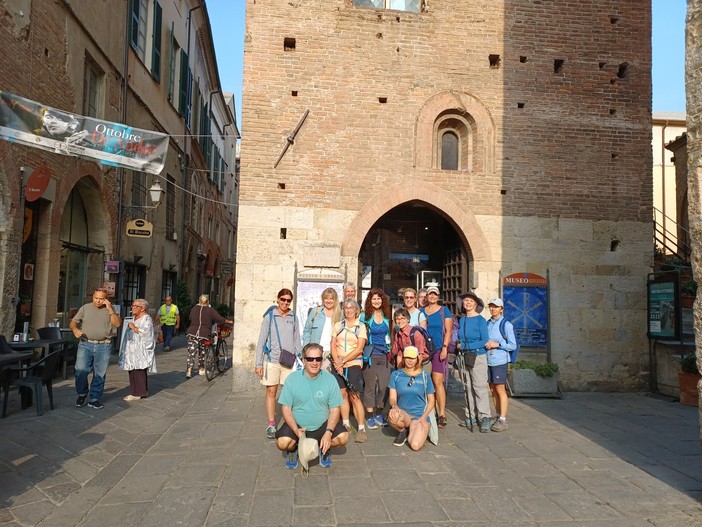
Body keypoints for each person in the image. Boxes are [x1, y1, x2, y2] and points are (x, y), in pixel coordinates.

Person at [275, 343, 349, 469]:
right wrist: (296, 430)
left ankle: (323, 447)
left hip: (322, 426)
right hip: (298, 426)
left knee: (343, 438)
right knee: (282, 443)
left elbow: (335, 410)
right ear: (303, 360)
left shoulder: (330, 380)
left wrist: (329, 432)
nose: (314, 362)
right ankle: (293, 450)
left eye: (318, 359)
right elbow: (286, 409)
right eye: (310, 359)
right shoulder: (292, 379)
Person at [255, 288, 302, 439]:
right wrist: (258, 363)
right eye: (283, 299)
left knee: (290, 393)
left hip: (288, 361)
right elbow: (261, 341)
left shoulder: (293, 317)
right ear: (278, 299)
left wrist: (302, 359)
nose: (285, 302)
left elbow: (297, 340)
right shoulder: (270, 316)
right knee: (271, 391)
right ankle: (271, 423)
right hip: (272, 360)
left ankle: (290, 421)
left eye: (288, 300)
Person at [69, 289, 122, 409]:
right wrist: (75, 330)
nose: (98, 301)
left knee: (99, 373)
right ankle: (82, 393)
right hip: (85, 344)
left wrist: (109, 309)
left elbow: (117, 324)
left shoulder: (111, 309)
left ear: (106, 299)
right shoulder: (85, 308)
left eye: (101, 298)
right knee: (80, 370)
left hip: (104, 345)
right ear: (92, 297)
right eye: (96, 298)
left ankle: (94, 398)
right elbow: (72, 322)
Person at [330, 298, 368, 442]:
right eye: (346, 307)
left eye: (352, 307)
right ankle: (345, 423)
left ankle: (361, 427)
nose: (349, 310)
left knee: (354, 395)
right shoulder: (338, 325)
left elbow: (359, 348)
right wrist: (337, 362)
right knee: (342, 393)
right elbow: (333, 344)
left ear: (356, 310)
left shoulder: (361, 327)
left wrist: (343, 361)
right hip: (338, 363)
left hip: (353, 363)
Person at [456, 291, 491, 433]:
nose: (468, 303)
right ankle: (471, 415)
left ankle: (485, 417)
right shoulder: (462, 320)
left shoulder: (480, 320)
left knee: (479, 387)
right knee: (467, 386)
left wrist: (467, 346)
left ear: (476, 304)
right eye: (466, 301)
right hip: (464, 356)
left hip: (477, 356)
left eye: (471, 301)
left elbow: (484, 341)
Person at [387, 346, 435, 450]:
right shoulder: (396, 375)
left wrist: (423, 418)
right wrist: (395, 407)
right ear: (403, 358)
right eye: (407, 357)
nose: (409, 360)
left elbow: (431, 400)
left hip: (420, 416)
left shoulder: (425, 376)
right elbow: (392, 398)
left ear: (417, 358)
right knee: (393, 416)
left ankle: (414, 429)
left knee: (415, 445)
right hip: (404, 414)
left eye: (412, 358)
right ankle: (403, 431)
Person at [360, 288, 392, 429]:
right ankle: (370, 415)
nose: (377, 301)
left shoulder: (386, 315)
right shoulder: (365, 317)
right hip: (370, 354)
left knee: (384, 386)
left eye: (379, 298)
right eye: (374, 298)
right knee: (370, 386)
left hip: (384, 354)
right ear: (370, 300)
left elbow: (390, 334)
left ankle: (379, 412)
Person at [421, 285, 453, 428]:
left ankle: (441, 413)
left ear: (438, 296)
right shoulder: (422, 311)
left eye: (435, 294)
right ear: (426, 296)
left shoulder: (444, 310)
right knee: (426, 381)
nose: (432, 297)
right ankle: (430, 410)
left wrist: (445, 348)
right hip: (426, 350)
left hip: (439, 349)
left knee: (437, 380)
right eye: (430, 294)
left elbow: (448, 331)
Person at [484, 298, 517, 432]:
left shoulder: (506, 325)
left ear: (501, 309)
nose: (493, 309)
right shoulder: (487, 323)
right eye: (491, 306)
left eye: (496, 307)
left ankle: (503, 419)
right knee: (492, 390)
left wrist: (497, 344)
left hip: (500, 361)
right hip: (488, 360)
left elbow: (512, 345)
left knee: (500, 389)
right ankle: (497, 415)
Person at [186, 294, 233, 379]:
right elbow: (219, 319)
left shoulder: (194, 308)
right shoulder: (210, 310)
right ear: (207, 302)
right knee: (203, 352)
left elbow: (190, 318)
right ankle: (201, 369)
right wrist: (228, 321)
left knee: (191, 352)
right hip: (204, 334)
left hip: (192, 333)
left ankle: (189, 371)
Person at [119, 299, 156, 401]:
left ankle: (139, 393)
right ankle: (137, 391)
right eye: (133, 305)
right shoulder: (134, 317)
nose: (133, 307)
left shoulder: (146, 318)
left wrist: (133, 327)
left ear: (143, 308)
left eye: (136, 306)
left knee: (139, 370)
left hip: (140, 350)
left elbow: (146, 333)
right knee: (132, 370)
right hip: (132, 349)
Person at [302, 287, 341, 371]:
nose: (328, 301)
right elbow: (307, 331)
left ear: (335, 300)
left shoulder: (340, 315)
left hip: (330, 353)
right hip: (315, 351)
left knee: (326, 378)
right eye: (326, 298)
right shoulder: (316, 311)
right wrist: (306, 349)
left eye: (331, 298)